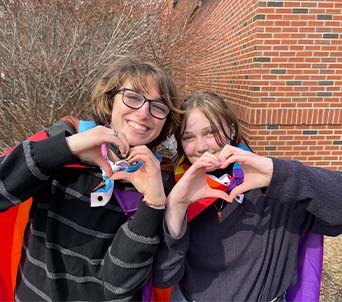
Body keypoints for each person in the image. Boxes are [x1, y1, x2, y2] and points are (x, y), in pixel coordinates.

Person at [0, 56, 180, 301]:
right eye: (133, 97)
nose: (144, 112)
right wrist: (67, 148)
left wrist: (153, 204)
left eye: (158, 107)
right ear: (110, 100)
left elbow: (118, 288)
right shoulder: (67, 137)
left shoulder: (161, 180)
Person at [152, 92, 342, 302]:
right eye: (188, 137)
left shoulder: (275, 189)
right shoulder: (177, 188)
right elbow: (165, 276)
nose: (201, 147)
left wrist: (279, 173)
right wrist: (176, 209)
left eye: (211, 132)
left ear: (232, 129)